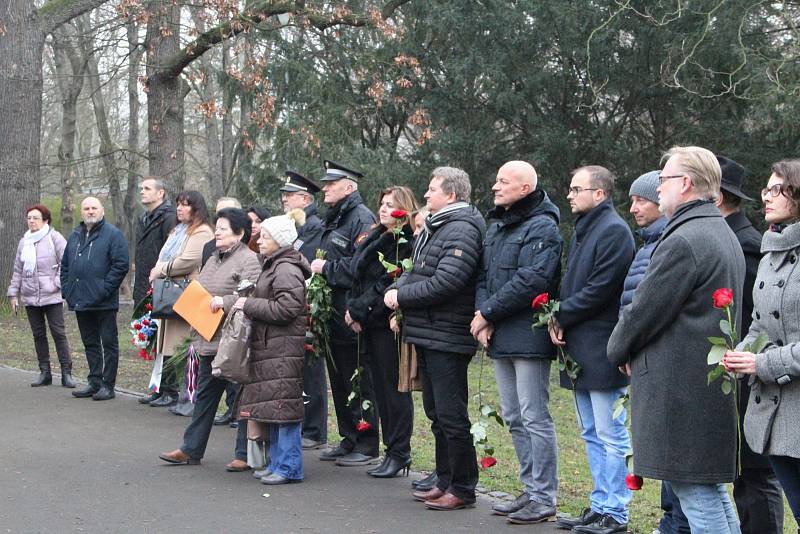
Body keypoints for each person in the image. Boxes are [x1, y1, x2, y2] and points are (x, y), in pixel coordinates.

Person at [608, 146, 745, 534]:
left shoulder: (685, 238)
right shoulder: (717, 230)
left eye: (663, 180)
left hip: (681, 390)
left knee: (698, 498)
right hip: (699, 386)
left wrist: (618, 348)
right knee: (710, 493)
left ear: (684, 184)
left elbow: (644, 310)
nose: (659, 188)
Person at [659, 157, 784, 534]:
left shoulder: (744, 242)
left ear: (716, 198)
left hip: (748, 371)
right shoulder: (725, 235)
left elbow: (752, 317)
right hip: (733, 365)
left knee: (754, 478)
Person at [384, 167, 486, 511]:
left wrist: (402, 298)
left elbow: (448, 282)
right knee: (437, 413)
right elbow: (419, 272)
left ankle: (463, 486)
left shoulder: (462, 229)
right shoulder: (438, 228)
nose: (425, 195)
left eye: (432, 189)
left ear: (452, 195)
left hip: (448, 334)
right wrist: (399, 287)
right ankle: (444, 479)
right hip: (430, 332)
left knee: (451, 414)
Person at [470, 161, 562, 523]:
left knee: (534, 415)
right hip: (500, 333)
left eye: (504, 181)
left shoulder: (543, 227)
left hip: (528, 335)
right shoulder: (497, 227)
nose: (495, 186)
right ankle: (529, 490)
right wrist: (484, 315)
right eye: (496, 180)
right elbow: (484, 276)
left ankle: (545, 495)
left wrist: (488, 313)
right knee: (513, 415)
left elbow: (532, 280)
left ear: (525, 188)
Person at [549, 166, 635, 533]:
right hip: (580, 345)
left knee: (611, 434)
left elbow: (600, 289)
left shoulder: (614, 231)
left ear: (598, 194)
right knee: (590, 432)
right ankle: (600, 504)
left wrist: (559, 313)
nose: (569, 195)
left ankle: (615, 512)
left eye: (576, 189)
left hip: (602, 346)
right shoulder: (587, 229)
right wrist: (560, 319)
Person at [725, 158, 800, 529]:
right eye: (765, 188)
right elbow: (759, 321)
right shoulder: (772, 251)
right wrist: (742, 352)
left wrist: (762, 364)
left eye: (775, 189)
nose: (765, 196)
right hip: (773, 408)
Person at [159, 208, 262, 466]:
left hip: (234, 343)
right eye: (217, 227)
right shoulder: (213, 257)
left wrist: (224, 301)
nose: (217, 231)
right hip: (207, 338)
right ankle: (190, 449)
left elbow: (251, 296)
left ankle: (243, 455)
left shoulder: (248, 260)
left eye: (223, 228)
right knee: (205, 397)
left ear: (239, 233)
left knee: (240, 398)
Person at [309, 160, 378, 467]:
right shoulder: (335, 219)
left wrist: (327, 269)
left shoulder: (361, 218)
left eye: (331, 184)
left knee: (359, 381)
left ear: (348, 187)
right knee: (338, 380)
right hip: (332, 316)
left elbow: (360, 268)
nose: (324, 188)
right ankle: (349, 437)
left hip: (352, 314)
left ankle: (366, 443)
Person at [346, 186, 418, 478]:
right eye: (383, 204)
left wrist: (360, 310)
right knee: (379, 388)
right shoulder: (377, 236)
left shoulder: (404, 242)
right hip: (370, 321)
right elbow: (359, 279)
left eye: (391, 205)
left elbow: (387, 283)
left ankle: (399, 452)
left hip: (388, 322)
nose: (384, 209)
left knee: (393, 390)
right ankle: (392, 449)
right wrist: (354, 310)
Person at [237, 209, 311, 485]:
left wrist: (249, 304)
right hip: (272, 345)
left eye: (266, 235)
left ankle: (289, 467)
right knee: (275, 408)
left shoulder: (286, 268)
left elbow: (289, 307)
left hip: (282, 348)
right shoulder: (274, 264)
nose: (260, 237)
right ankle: (278, 463)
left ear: (279, 240)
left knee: (284, 407)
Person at [144, 191, 213, 408]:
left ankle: (182, 395)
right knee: (166, 346)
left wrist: (159, 270)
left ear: (197, 208)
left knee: (182, 347)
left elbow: (187, 261)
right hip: (171, 293)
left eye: (185, 205)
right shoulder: (178, 230)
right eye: (178, 205)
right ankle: (165, 390)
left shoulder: (201, 232)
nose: (180, 209)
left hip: (186, 295)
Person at [61, 197, 129, 401]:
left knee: (109, 344)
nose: (90, 211)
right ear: (81, 212)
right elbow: (65, 266)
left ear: (102, 211)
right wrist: (67, 290)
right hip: (81, 300)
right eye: (86, 208)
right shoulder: (75, 236)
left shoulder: (113, 235)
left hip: (104, 301)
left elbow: (120, 265)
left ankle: (108, 385)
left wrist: (104, 289)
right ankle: (94, 381)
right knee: (90, 343)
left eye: (94, 208)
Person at [280, 170, 328, 450]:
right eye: (284, 195)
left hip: (308, 303)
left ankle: (314, 428)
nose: (284, 200)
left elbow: (309, 262)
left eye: (290, 195)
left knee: (311, 368)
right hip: (293, 302)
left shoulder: (313, 227)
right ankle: (302, 424)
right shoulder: (292, 225)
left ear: (305, 198)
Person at [7, 204, 74, 388]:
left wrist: (56, 284)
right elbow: (18, 270)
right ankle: (45, 372)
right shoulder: (24, 242)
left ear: (45, 220)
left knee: (58, 333)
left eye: (35, 218)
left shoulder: (54, 237)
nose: (31, 221)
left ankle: (66, 373)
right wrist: (13, 294)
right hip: (30, 297)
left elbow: (66, 263)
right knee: (38, 335)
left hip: (52, 296)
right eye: (29, 218)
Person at [134, 177, 176, 304]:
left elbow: (172, 255)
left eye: (147, 188)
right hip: (142, 288)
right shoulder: (143, 219)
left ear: (160, 193)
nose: (142, 192)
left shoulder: (170, 218)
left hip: (161, 288)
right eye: (141, 188)